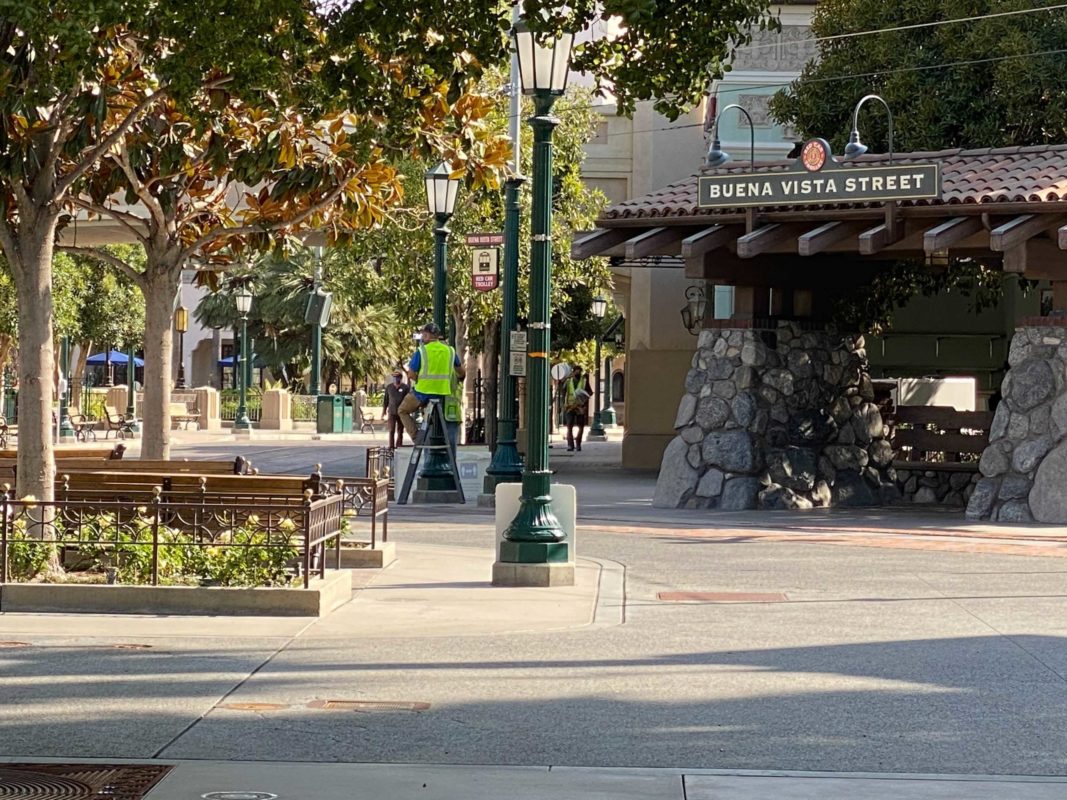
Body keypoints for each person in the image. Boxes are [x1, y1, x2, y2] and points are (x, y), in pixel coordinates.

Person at [398, 323, 466, 446]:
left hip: (422, 393)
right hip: (442, 393)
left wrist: (419, 381)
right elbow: (461, 372)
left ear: (427, 335)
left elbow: (411, 374)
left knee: (402, 410)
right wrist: (459, 380)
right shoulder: (450, 351)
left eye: (423, 334)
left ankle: (416, 436)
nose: (422, 337)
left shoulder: (422, 351)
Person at [562, 365, 592, 452]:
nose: (578, 373)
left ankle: (578, 444)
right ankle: (570, 445)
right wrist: (564, 404)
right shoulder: (568, 381)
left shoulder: (584, 381)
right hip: (570, 407)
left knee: (580, 426)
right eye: (576, 371)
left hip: (580, 407)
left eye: (579, 371)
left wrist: (585, 396)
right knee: (569, 426)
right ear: (573, 372)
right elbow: (564, 393)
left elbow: (590, 392)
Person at [381, 371, 410, 448]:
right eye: (394, 377)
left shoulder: (405, 388)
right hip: (392, 411)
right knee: (391, 430)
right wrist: (384, 410)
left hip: (401, 412)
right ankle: (391, 445)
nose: (395, 379)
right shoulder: (389, 387)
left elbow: (408, 399)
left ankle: (399, 444)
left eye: (397, 377)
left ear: (400, 378)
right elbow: (386, 400)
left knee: (400, 430)